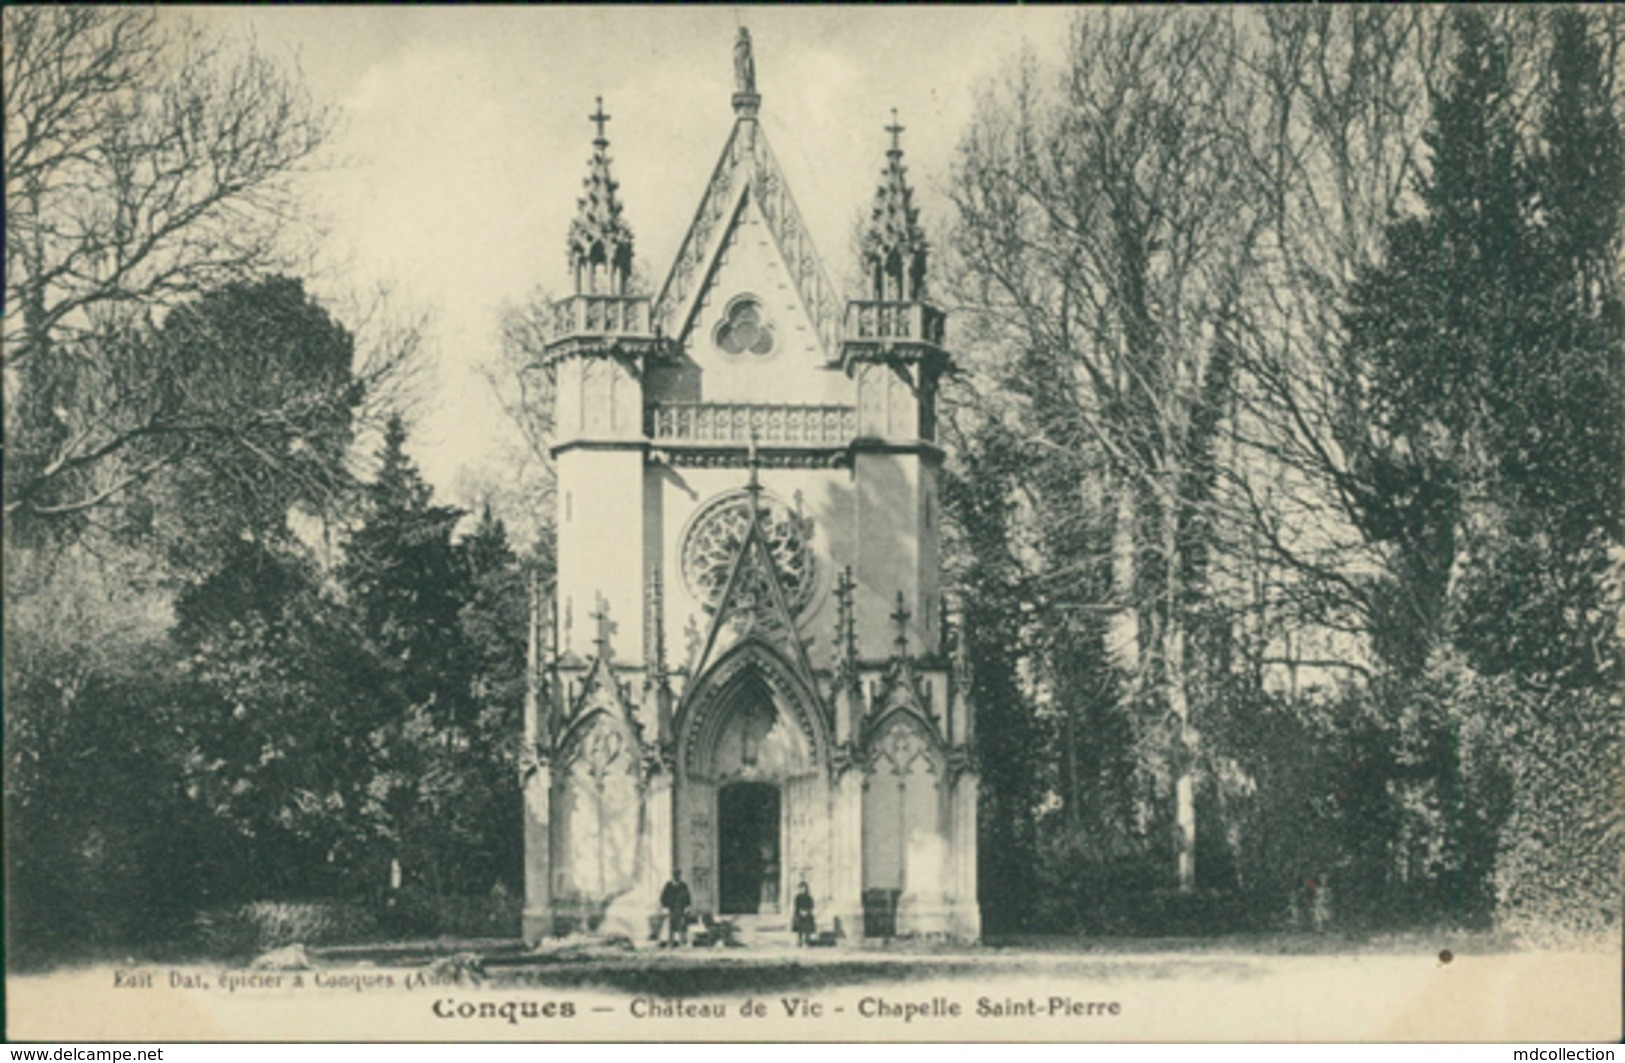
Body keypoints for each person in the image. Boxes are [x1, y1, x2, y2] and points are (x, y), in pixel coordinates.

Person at [660, 869, 691, 948]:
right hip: (671, 908)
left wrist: (687, 906)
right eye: (674, 875)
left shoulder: (683, 886)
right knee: (671, 926)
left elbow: (687, 897)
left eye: (678, 875)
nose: (676, 877)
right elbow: (663, 897)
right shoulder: (668, 886)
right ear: (672, 876)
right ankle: (671, 943)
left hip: (681, 908)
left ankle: (682, 943)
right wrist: (665, 907)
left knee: (682, 925)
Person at [792, 881, 816, 947]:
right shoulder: (798, 897)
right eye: (802, 888)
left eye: (805, 888)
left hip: (807, 914)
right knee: (800, 928)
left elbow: (811, 906)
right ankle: (799, 941)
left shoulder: (809, 897)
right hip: (799, 914)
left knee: (807, 927)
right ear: (800, 889)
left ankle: (807, 941)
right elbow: (796, 906)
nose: (803, 890)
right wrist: (801, 912)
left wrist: (807, 911)